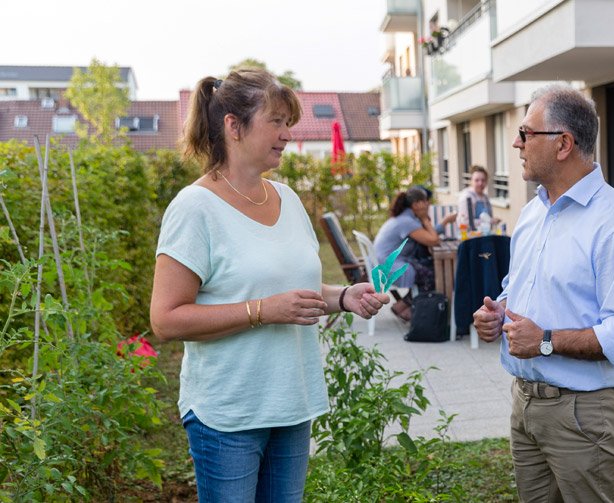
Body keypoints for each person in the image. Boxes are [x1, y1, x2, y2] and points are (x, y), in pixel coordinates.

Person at [149, 69, 389, 501]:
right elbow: (166, 320)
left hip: (290, 404)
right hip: (227, 414)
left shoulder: (288, 199)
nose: (286, 134)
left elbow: (295, 291)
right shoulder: (194, 208)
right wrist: (263, 311)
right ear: (233, 126)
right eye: (275, 121)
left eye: (287, 122)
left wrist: (345, 297)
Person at [472, 84, 614, 502]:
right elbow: (523, 289)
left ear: (563, 143)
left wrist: (546, 341)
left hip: (583, 415)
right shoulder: (533, 212)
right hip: (526, 405)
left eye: (526, 133)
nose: (517, 143)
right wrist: (499, 314)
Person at [374, 187, 441, 320]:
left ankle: (402, 306)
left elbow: (429, 236)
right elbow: (433, 240)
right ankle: (409, 310)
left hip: (385, 261)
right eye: (425, 201)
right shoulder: (407, 222)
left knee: (426, 268)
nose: (428, 204)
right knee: (433, 274)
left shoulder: (405, 218)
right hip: (389, 266)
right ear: (416, 204)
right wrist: (425, 219)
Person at [456, 165, 501, 232]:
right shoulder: (467, 198)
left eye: (483, 180)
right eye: (477, 180)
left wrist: (492, 221)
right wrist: (490, 221)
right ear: (471, 181)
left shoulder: (485, 198)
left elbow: (489, 218)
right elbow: (465, 222)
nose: (480, 183)